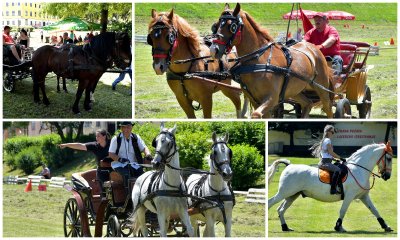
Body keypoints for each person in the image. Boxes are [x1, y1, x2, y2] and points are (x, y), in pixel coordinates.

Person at [59, 129, 113, 195]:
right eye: (96, 136)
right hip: (101, 172)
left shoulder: (112, 144)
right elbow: (80, 145)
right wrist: (66, 145)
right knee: (105, 191)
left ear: (104, 136)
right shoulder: (94, 146)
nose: (96, 138)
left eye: (98, 136)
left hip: (113, 170)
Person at [109, 122, 152, 189]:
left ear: (131, 127)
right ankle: (129, 197)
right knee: (127, 175)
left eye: (128, 127)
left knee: (143, 176)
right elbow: (111, 154)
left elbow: (144, 148)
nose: (126, 129)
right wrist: (120, 159)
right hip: (119, 165)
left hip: (134, 165)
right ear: (121, 128)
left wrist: (148, 154)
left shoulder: (136, 137)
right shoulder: (116, 139)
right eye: (124, 127)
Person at [303, 12, 343, 76]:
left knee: (337, 60)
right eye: (315, 20)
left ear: (326, 21)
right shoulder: (311, 32)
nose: (317, 21)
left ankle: (336, 79)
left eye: (319, 20)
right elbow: (304, 41)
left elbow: (331, 40)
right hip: (317, 56)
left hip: (332, 57)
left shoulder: (331, 29)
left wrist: (321, 46)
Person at [310, 125, 345, 194]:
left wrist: (336, 160)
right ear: (328, 132)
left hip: (326, 161)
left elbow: (328, 155)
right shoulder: (328, 140)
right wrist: (341, 158)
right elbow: (331, 153)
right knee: (338, 170)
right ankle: (333, 189)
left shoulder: (325, 140)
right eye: (332, 132)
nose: (333, 133)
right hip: (325, 163)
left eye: (334, 132)